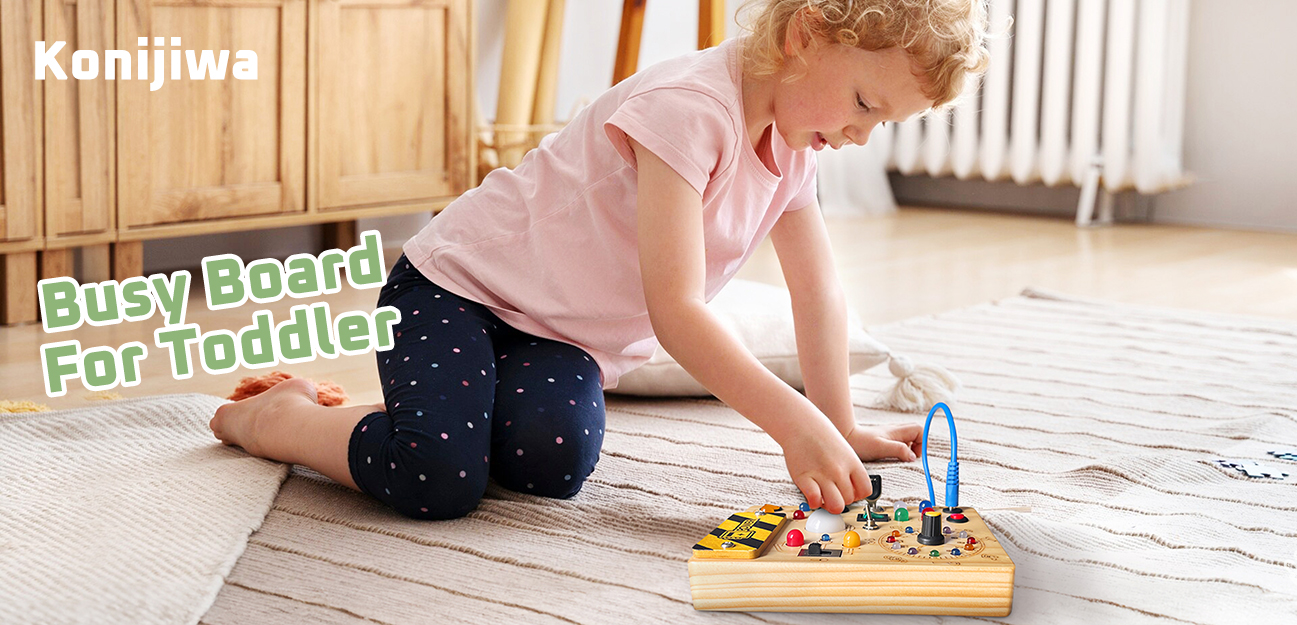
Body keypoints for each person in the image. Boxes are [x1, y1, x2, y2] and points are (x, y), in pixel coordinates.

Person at [210, 0, 989, 521]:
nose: (863, 136)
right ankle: (281, 416)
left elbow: (817, 291)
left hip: (555, 337)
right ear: (804, 36)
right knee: (439, 480)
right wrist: (793, 425)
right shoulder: (690, 110)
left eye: (883, 122)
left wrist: (840, 427)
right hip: (453, 290)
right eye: (864, 104)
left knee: (552, 463)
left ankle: (434, 412)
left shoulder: (792, 148)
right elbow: (676, 310)